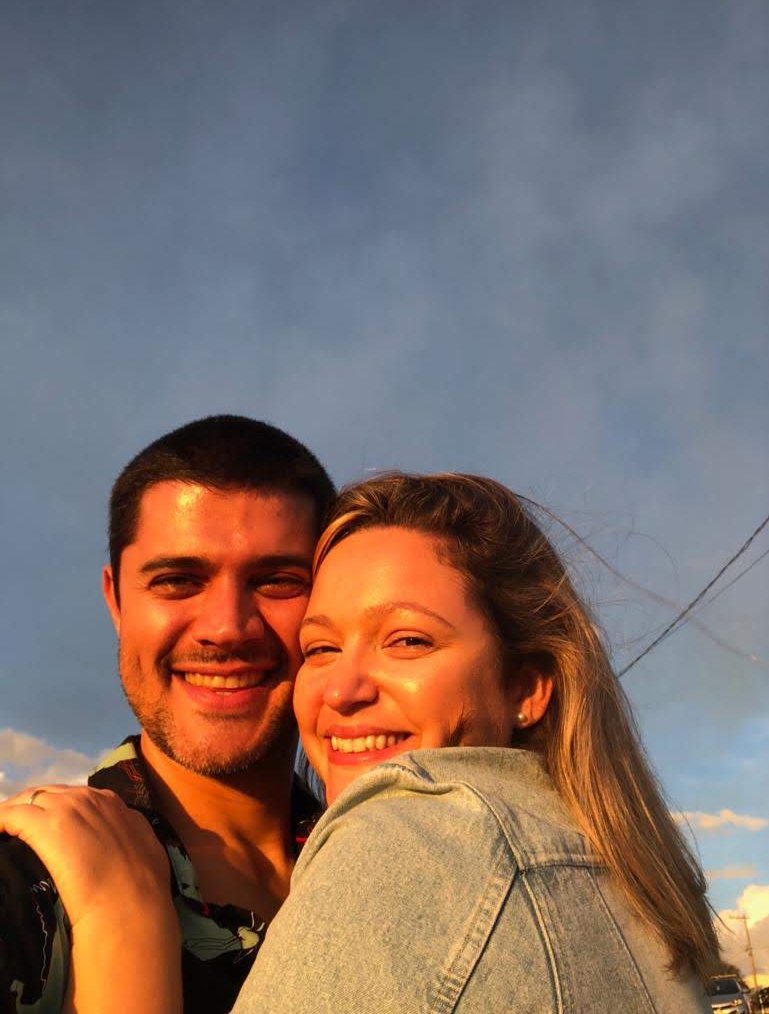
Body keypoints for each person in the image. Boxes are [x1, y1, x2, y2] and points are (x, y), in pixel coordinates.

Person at [0, 473, 717, 1013]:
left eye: (408, 640)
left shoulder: (409, 846)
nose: (342, 691)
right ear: (114, 598)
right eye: (321, 646)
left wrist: (124, 934)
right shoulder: (28, 883)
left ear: (526, 684)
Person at [0, 414, 335, 1014]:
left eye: (277, 581)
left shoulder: (401, 870)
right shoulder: (29, 885)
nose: (227, 628)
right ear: (116, 601)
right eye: (179, 580)